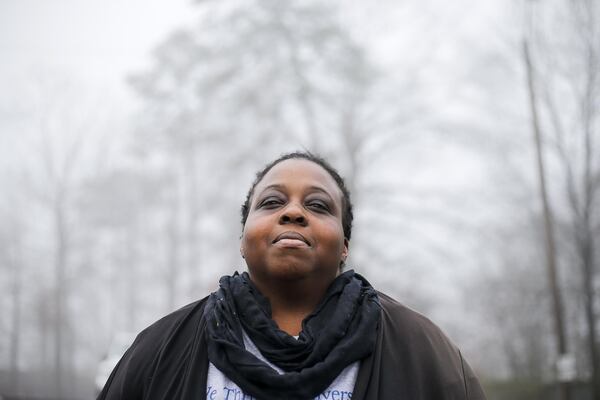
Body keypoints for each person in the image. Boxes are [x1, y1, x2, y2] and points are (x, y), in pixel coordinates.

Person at [98, 151, 487, 400]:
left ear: (344, 245)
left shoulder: (424, 352)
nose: (294, 212)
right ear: (243, 237)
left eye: (318, 205)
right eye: (271, 202)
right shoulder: (159, 350)